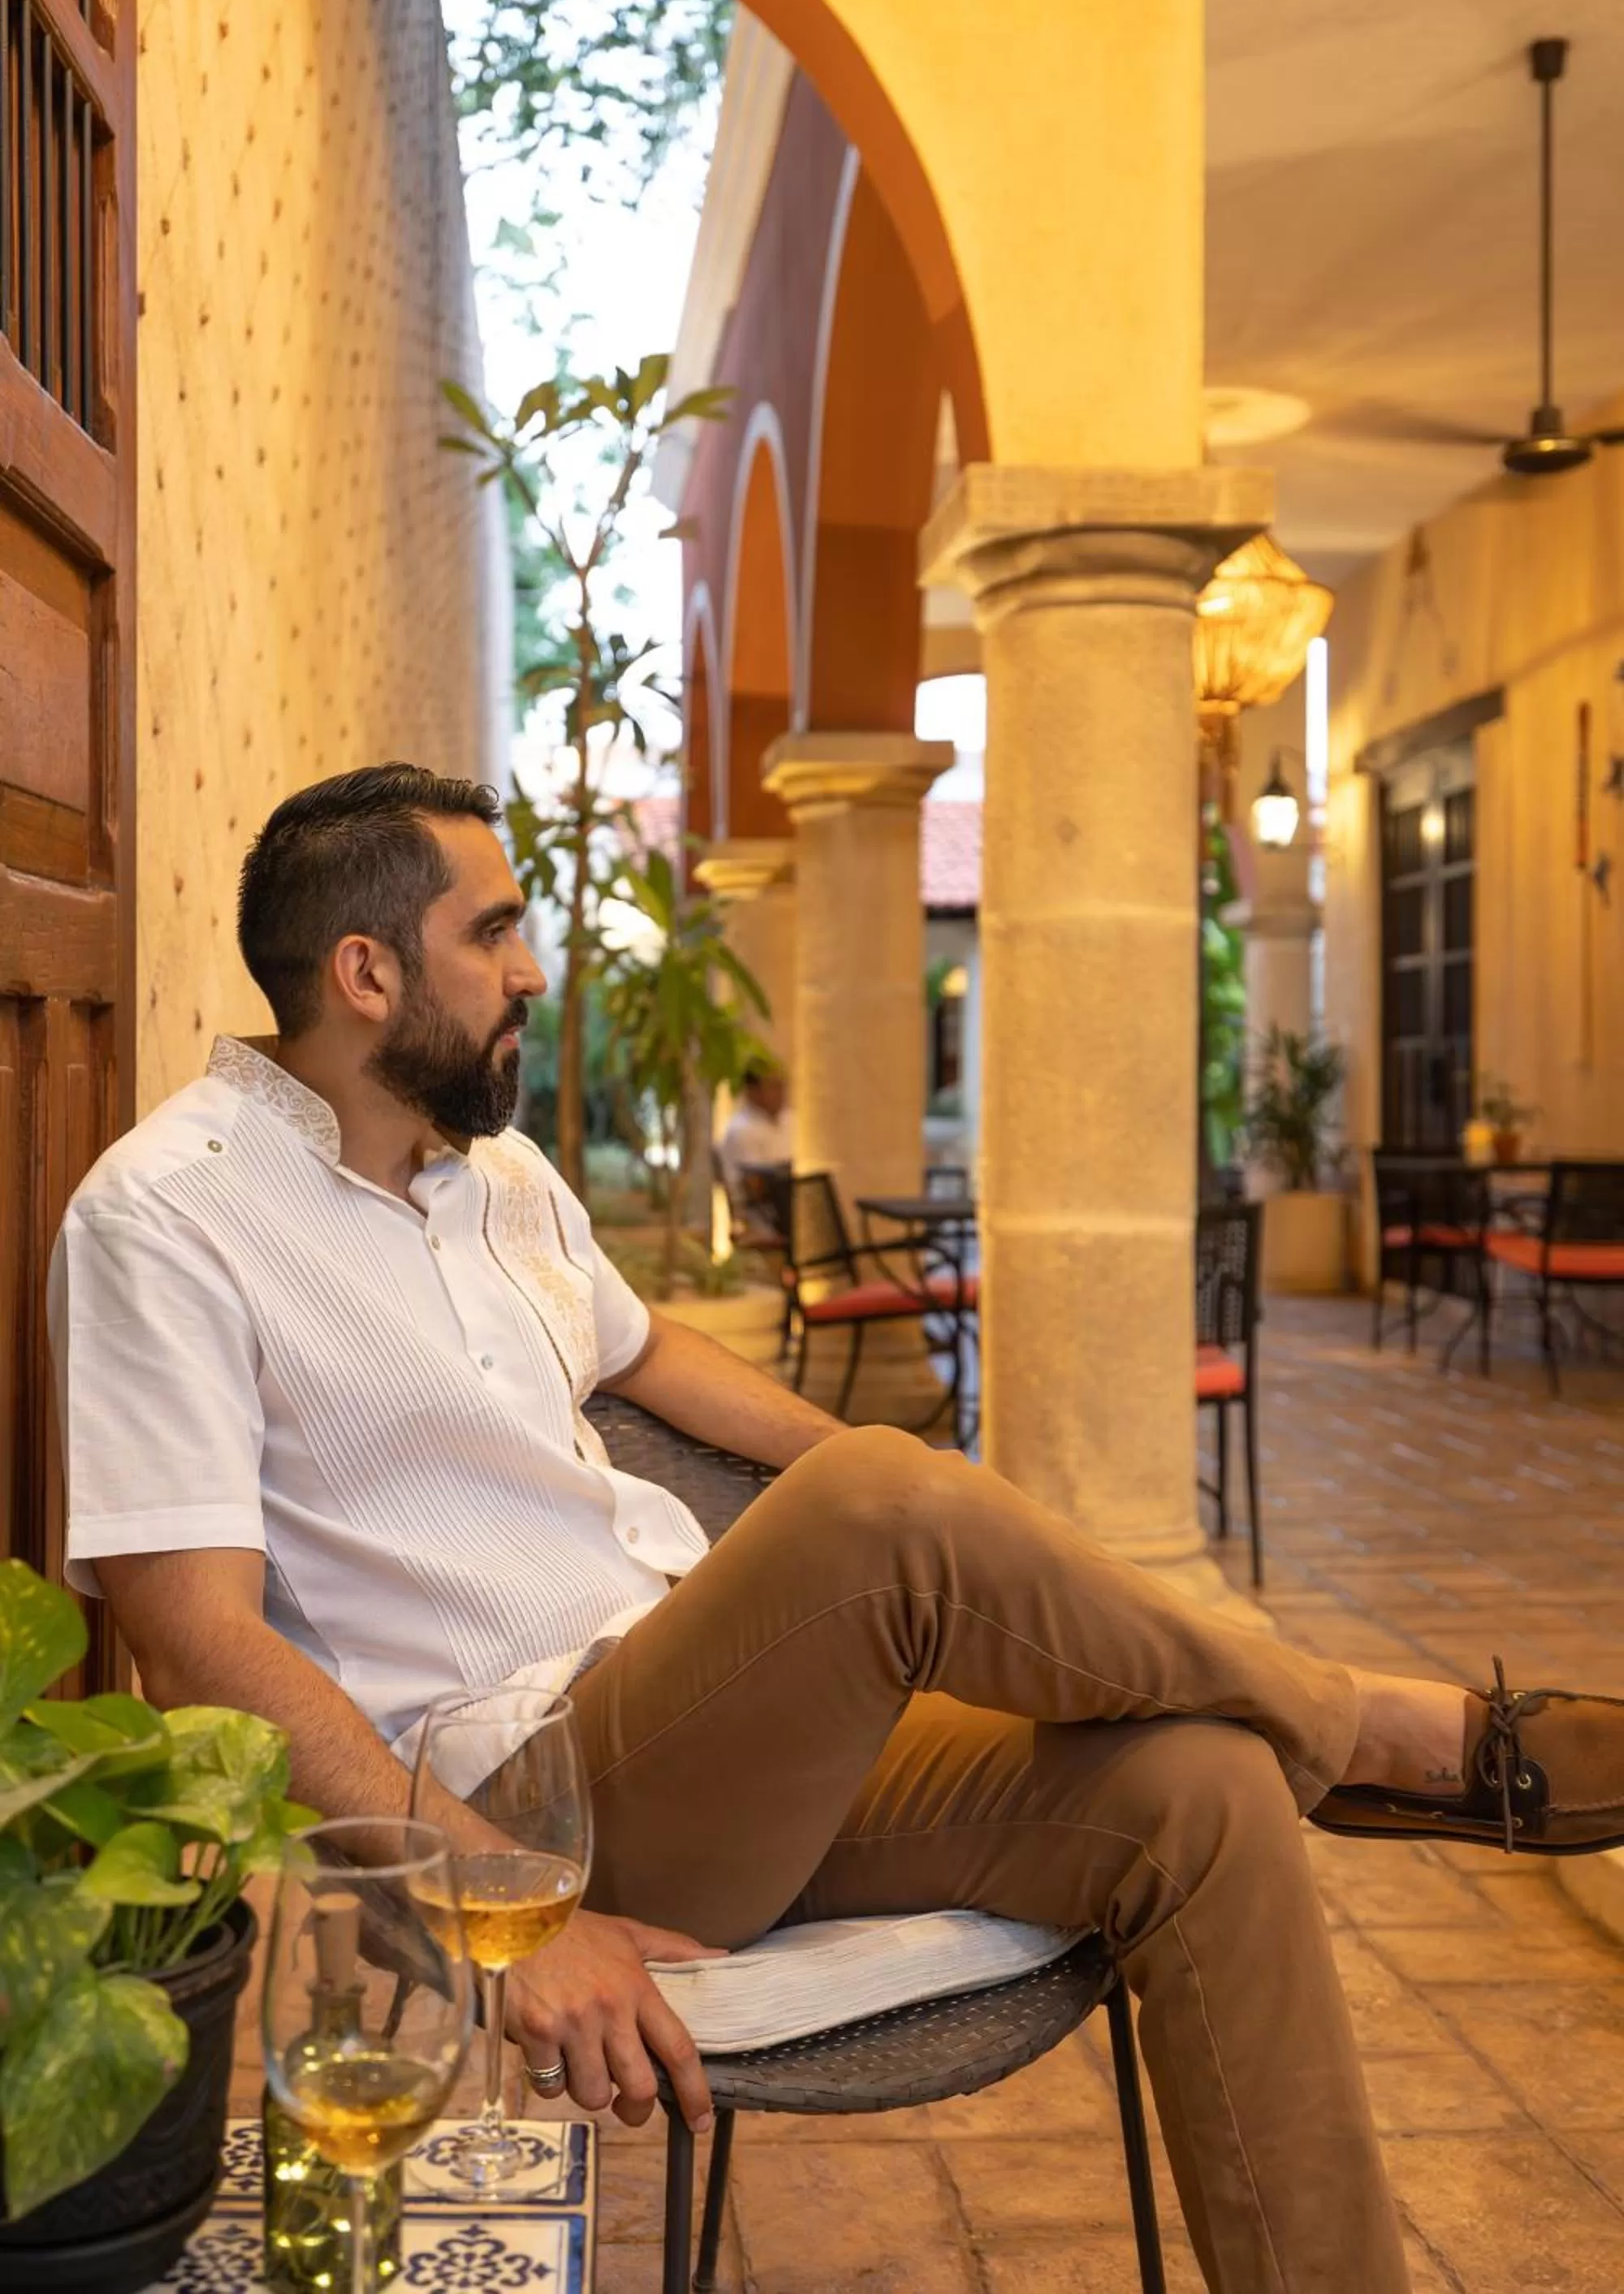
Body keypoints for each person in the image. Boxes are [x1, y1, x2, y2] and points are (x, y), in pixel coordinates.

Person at [49, 763, 1624, 2294]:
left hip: (719, 1712)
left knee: (1200, 1786)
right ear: (369, 970)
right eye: (497, 931)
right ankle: (1386, 1734)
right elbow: (195, 1630)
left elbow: (647, 1355)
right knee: (879, 1494)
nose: (531, 971)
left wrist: (903, 1518)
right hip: (535, 1801)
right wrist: (501, 1914)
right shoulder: (167, 1216)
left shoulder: (498, 1174)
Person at [716, 1059, 793, 1202]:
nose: (781, 1093)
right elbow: (756, 1187)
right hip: (759, 1215)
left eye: (781, 1086)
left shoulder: (790, 1120)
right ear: (753, 1091)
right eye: (773, 1087)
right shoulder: (741, 1130)